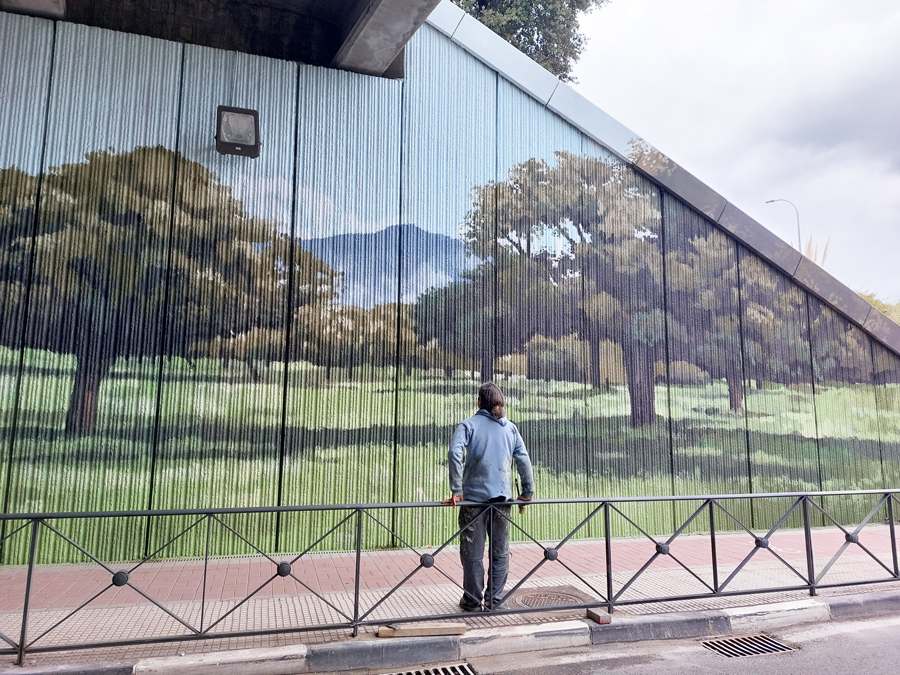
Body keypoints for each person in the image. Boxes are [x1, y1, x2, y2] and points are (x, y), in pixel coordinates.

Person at [442, 382, 535, 611]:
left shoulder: (468, 425)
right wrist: (527, 492)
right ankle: (494, 600)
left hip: (473, 501)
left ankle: (472, 601)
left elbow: (455, 452)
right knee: (500, 552)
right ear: (500, 404)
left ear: (479, 402)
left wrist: (457, 490)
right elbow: (523, 459)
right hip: (502, 501)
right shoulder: (510, 429)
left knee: (472, 552)